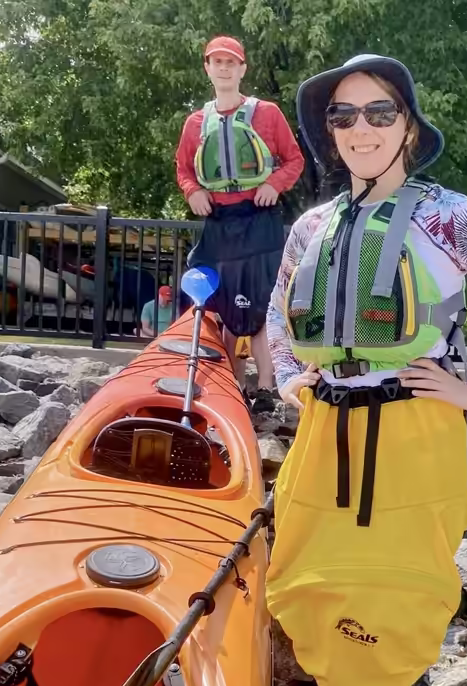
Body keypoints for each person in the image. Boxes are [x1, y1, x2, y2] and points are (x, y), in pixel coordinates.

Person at [262, 53, 467, 686]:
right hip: (326, 432)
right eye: (343, 115)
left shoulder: (452, 217)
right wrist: (287, 380)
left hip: (412, 432)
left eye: (378, 112)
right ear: (328, 133)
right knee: (325, 600)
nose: (360, 127)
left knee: (403, 602)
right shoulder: (311, 227)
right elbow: (279, 313)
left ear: (407, 126)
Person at [175, 35, 305, 412]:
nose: (225, 68)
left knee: (263, 302)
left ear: (243, 69)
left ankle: (265, 386)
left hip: (260, 218)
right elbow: (185, 170)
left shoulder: (267, 113)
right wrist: (192, 192)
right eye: (218, 62)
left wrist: (272, 184)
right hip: (220, 221)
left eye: (232, 62)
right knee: (228, 306)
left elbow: (293, 160)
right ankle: (232, 386)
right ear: (208, 68)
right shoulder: (196, 122)